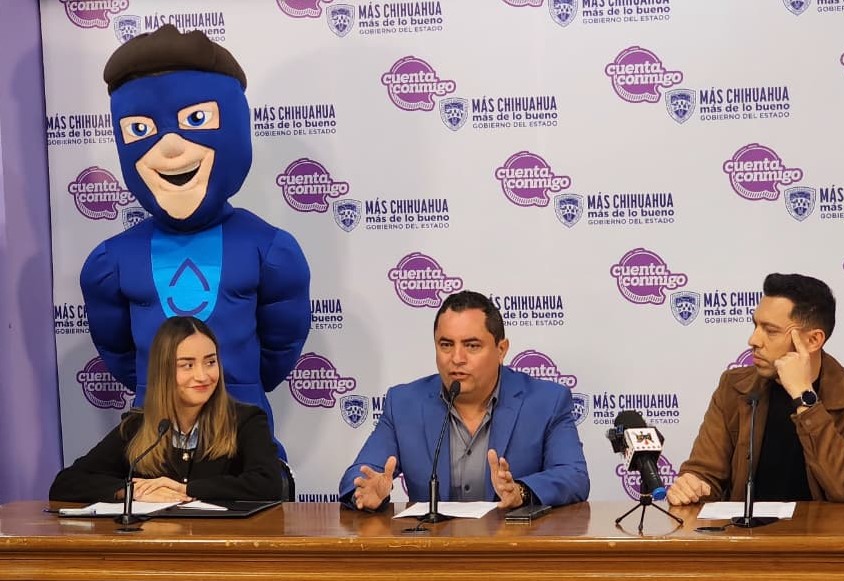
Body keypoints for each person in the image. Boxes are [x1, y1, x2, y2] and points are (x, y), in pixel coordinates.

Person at [80, 24, 310, 460]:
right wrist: (159, 387)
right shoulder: (112, 261)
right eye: (140, 129)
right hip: (154, 445)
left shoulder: (269, 251)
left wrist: (238, 384)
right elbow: (118, 352)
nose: (170, 147)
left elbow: (280, 349)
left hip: (242, 441)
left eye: (196, 120)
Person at [339, 290, 589, 510]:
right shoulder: (404, 404)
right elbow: (356, 477)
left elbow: (573, 475)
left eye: (471, 346)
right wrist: (366, 491)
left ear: (501, 350)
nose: (457, 358)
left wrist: (521, 492)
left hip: (514, 546)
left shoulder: (547, 401)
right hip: (433, 547)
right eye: (446, 345)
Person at [667, 273, 844, 505]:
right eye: (755, 325)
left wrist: (804, 396)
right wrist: (693, 485)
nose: (753, 340)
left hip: (827, 529)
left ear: (813, 340)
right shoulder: (734, 387)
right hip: (748, 528)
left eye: (771, 331)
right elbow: (705, 473)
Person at [50, 316, 282, 502]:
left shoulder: (246, 421)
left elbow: (268, 485)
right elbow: (66, 484)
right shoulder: (137, 426)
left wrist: (186, 489)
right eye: (187, 365)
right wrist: (130, 491)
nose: (202, 375)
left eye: (210, 362)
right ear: (164, 372)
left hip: (222, 543)